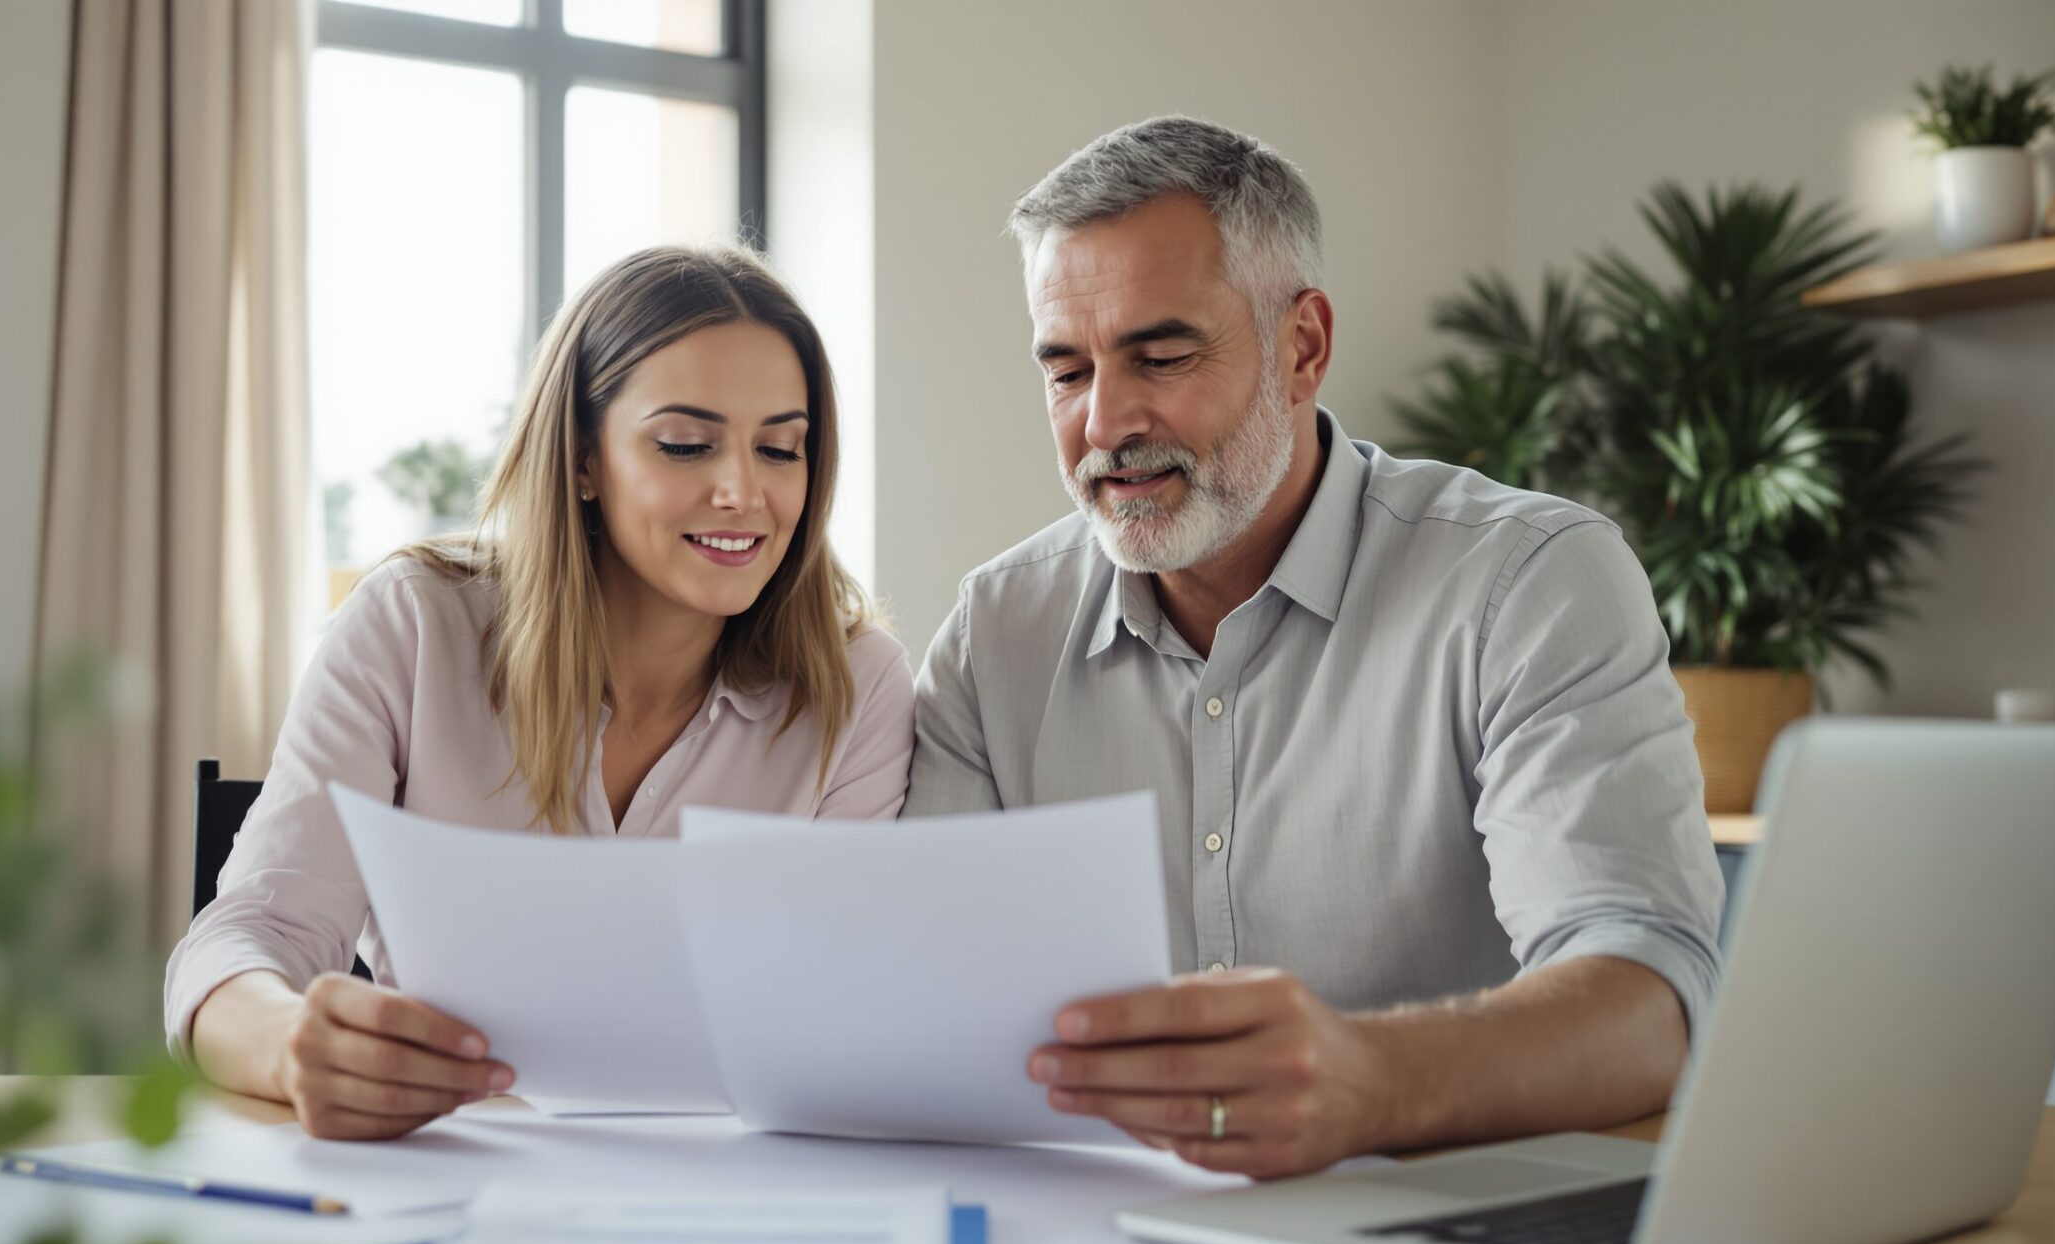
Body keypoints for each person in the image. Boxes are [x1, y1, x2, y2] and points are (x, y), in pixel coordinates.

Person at [907, 117, 1723, 1179]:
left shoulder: (1528, 581)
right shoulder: (994, 635)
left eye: (1160, 355)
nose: (1105, 421)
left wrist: (1368, 1081)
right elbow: (916, 998)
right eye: (1066, 372)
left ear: (1302, 346)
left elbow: (1644, 1000)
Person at [169, 246, 915, 1139]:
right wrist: (292, 1041)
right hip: (451, 1176)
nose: (742, 492)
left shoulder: (857, 684)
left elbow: (841, 1010)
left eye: (780, 448)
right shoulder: (413, 627)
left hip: (731, 1194)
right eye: (685, 444)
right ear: (583, 459)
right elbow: (249, 934)